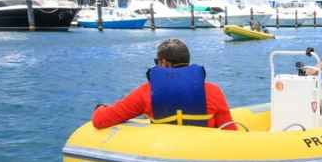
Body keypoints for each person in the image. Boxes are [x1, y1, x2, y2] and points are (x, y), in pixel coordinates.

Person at [92, 39, 236, 130]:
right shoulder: (213, 91)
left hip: (165, 155)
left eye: (157, 62)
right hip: (205, 157)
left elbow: (100, 121)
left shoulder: (148, 92)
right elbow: (229, 131)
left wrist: (100, 108)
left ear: (164, 63)